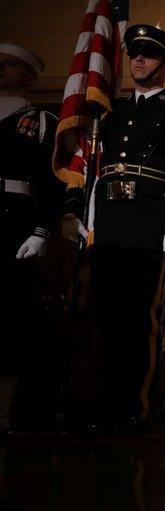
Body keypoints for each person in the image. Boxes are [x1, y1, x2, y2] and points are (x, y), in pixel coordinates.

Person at [62, 25, 165, 434]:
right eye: (135, 54)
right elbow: (96, 169)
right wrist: (82, 211)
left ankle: (132, 408)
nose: (138, 61)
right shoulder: (113, 114)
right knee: (108, 317)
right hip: (109, 224)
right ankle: (107, 404)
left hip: (150, 224)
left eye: (148, 55)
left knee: (136, 319)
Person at [0, 43, 62, 431]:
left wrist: (42, 229)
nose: (2, 70)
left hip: (12, 222)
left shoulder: (40, 122)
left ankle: (2, 410)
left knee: (8, 317)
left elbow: (51, 180)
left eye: (10, 65)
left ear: (31, 78)